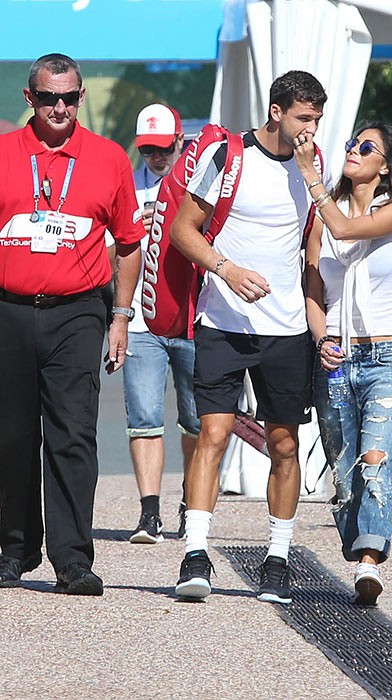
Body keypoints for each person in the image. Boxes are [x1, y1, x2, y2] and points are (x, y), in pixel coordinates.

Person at [169, 70, 329, 604]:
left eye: (317, 119)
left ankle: (277, 559)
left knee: (284, 445)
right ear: (277, 111)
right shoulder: (229, 155)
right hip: (224, 323)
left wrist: (316, 314)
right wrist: (226, 269)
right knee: (212, 434)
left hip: (285, 330)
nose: (311, 129)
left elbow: (313, 244)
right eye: (304, 118)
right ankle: (195, 554)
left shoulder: (315, 166)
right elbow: (182, 230)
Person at [0, 54, 143, 594]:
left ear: (81, 98)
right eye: (46, 97)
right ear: (28, 98)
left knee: (73, 434)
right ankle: (14, 547)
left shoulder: (108, 159)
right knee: (10, 436)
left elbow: (129, 245)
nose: (58, 107)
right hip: (8, 308)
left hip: (79, 310)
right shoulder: (4, 153)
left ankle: (72, 559)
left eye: (68, 97)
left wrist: (122, 316)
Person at [296, 122, 392, 604]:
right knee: (345, 472)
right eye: (351, 144)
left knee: (375, 458)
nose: (353, 151)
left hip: (389, 352)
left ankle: (370, 560)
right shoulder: (320, 217)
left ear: (385, 164)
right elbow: (313, 286)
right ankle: (359, 546)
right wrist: (319, 336)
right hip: (336, 354)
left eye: (365, 147)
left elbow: (346, 228)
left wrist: (309, 172)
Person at [112, 104, 200, 545]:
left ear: (180, 142)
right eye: (148, 150)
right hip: (144, 321)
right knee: (143, 418)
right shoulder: (127, 185)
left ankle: (191, 500)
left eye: (163, 149)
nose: (156, 158)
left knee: (196, 421)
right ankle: (149, 513)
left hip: (192, 317)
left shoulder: (198, 182)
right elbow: (111, 253)